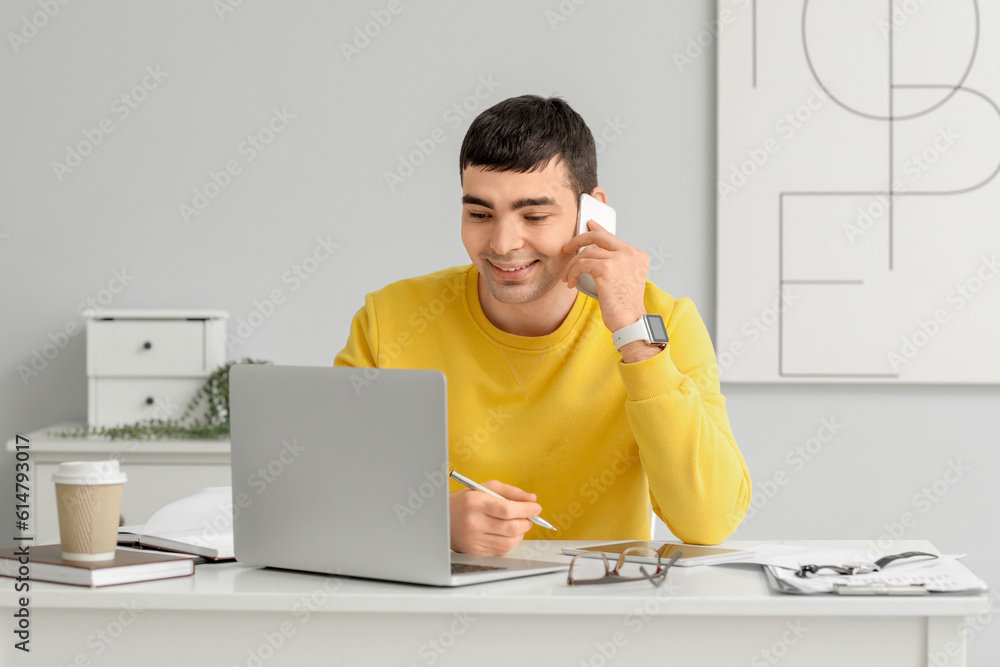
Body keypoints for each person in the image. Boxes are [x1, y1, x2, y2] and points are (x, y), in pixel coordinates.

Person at [335, 94, 751, 556]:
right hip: (428, 614)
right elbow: (327, 495)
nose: (502, 243)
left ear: (593, 213)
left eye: (534, 215)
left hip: (593, 610)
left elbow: (710, 521)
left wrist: (632, 333)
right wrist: (431, 522)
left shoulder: (660, 322)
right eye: (479, 214)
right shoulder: (390, 318)